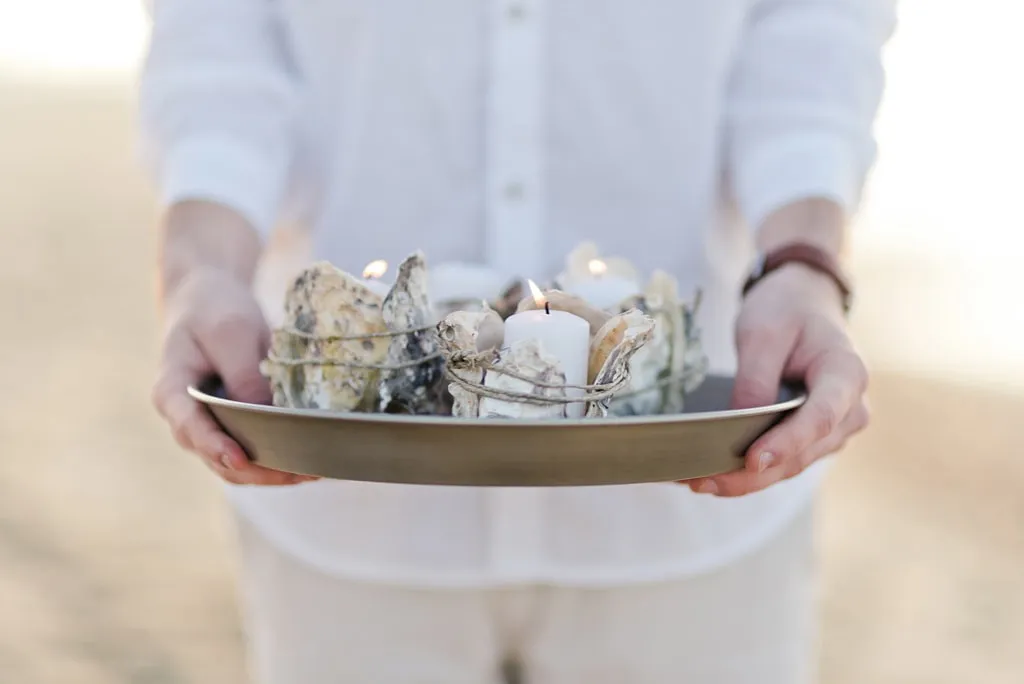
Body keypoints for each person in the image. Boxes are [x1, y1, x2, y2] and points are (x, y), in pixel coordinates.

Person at [140, 0, 894, 682]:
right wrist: (202, 271)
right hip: (345, 510)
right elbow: (218, 49)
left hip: (695, 515)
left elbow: (811, 34)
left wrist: (805, 262)